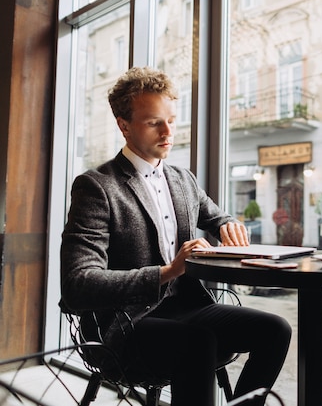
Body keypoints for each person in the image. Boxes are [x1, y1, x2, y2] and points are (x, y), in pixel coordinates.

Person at [60, 67, 291, 406]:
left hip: (188, 307)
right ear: (124, 126)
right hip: (124, 322)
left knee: (276, 329)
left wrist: (227, 225)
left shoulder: (183, 179)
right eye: (154, 122)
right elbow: (78, 284)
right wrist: (168, 271)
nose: (169, 132)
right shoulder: (97, 187)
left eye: (172, 119)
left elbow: (217, 216)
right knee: (198, 342)